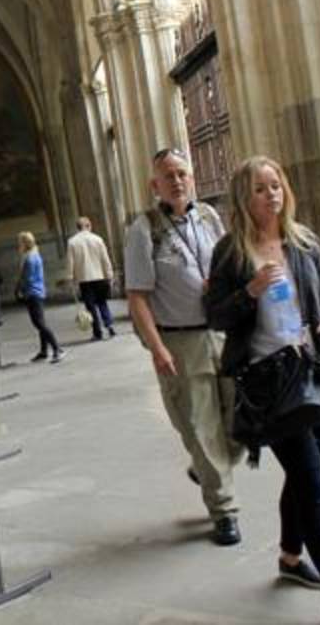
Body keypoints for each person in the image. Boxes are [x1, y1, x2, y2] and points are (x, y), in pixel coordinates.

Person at [204, 156, 320, 625]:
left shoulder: (303, 241)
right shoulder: (231, 253)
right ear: (243, 197)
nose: (271, 194)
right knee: (312, 486)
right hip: (269, 382)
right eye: (260, 188)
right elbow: (215, 316)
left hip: (315, 370)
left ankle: (291, 558)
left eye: (276, 185)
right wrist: (250, 291)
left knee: (303, 475)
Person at [124, 147, 241, 546]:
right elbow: (137, 296)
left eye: (182, 173)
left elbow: (232, 264)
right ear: (154, 185)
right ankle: (224, 509)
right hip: (180, 339)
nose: (177, 181)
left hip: (224, 333)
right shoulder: (144, 229)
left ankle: (207, 467)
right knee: (203, 427)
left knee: (243, 422)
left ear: (192, 178)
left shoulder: (209, 217)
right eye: (168, 175)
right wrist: (157, 348)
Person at [15, 231, 64, 363]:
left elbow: (27, 278)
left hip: (33, 292)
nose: (18, 245)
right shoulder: (34, 255)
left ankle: (57, 348)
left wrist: (20, 290)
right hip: (37, 291)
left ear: (25, 243)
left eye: (20, 242)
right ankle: (43, 351)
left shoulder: (29, 258)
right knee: (40, 321)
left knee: (39, 323)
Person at [66, 216, 117, 340]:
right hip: (99, 277)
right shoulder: (98, 239)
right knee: (102, 302)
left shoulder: (72, 242)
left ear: (77, 227)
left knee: (91, 307)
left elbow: (70, 262)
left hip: (84, 279)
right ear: (89, 226)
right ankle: (109, 326)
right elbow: (105, 258)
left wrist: (70, 278)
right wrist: (110, 275)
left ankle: (97, 332)